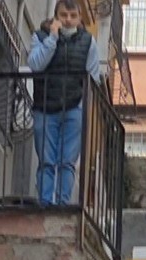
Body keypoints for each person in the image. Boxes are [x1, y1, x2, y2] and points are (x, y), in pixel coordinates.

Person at [27, 0, 101, 206]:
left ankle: (62, 204)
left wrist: (84, 108)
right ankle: (45, 203)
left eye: (72, 16)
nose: (68, 20)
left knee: (67, 162)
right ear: (55, 17)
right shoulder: (40, 37)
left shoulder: (88, 42)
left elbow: (93, 78)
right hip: (45, 107)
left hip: (74, 107)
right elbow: (35, 64)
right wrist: (52, 38)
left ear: (79, 18)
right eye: (63, 15)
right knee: (46, 161)